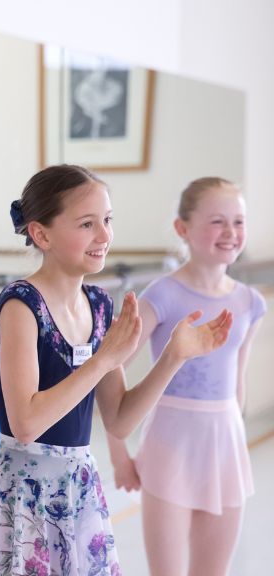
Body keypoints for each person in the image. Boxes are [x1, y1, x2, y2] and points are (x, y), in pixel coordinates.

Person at [0, 165, 233, 575]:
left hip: (79, 488)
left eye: (107, 220)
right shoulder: (21, 304)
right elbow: (26, 423)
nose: (104, 236)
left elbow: (120, 420)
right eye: (87, 224)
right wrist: (104, 359)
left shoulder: (100, 305)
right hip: (25, 493)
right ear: (42, 234)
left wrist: (173, 357)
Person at [105, 177, 265, 576]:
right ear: (183, 229)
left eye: (239, 222)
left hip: (225, 444)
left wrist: (237, 444)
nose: (230, 233)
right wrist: (118, 453)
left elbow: (237, 385)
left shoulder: (250, 302)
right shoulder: (162, 295)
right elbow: (108, 373)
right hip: (170, 444)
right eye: (217, 221)